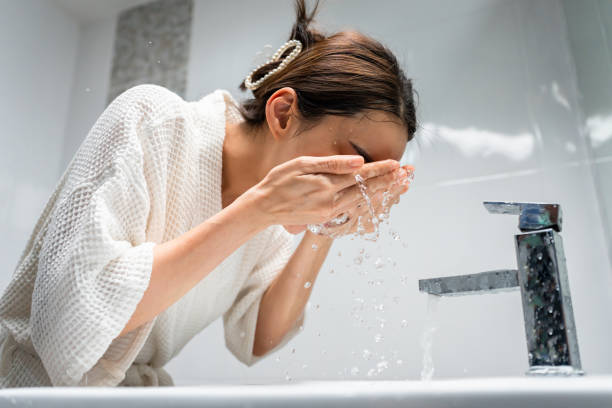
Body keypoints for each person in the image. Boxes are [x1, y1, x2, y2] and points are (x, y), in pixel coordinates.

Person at [0, 0, 417, 387]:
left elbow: (258, 338)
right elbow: (68, 323)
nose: (360, 185)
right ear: (283, 113)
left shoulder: (274, 217)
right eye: (358, 164)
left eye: (377, 177)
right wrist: (254, 212)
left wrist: (326, 225)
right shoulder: (152, 121)